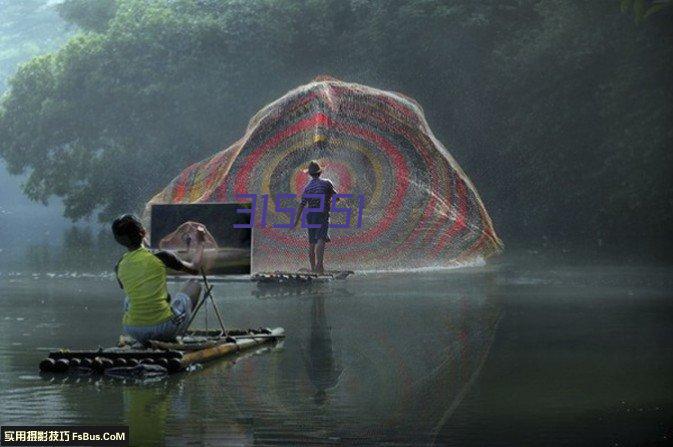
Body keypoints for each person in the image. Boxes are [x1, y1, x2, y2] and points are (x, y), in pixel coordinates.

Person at [112, 215, 205, 344]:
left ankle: (147, 334)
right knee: (194, 285)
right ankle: (171, 332)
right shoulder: (161, 257)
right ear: (143, 232)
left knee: (131, 296)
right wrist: (200, 241)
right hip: (163, 328)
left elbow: (127, 284)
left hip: (133, 329)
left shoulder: (119, 265)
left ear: (118, 240)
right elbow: (195, 268)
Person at [292, 160, 338, 274]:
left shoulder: (307, 187)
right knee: (321, 239)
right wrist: (332, 203)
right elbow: (336, 196)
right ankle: (319, 266)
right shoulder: (327, 183)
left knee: (312, 242)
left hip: (311, 216)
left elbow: (302, 205)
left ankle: (313, 268)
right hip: (322, 214)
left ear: (310, 174)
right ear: (320, 172)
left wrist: (296, 221)